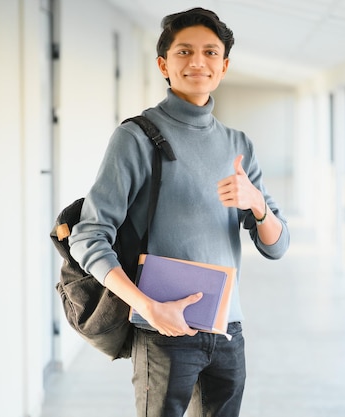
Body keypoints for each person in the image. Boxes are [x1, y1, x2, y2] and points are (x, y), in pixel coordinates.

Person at [68, 6, 290, 417]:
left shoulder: (238, 144)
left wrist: (258, 204)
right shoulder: (135, 137)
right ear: (163, 65)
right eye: (184, 51)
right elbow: (88, 236)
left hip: (228, 329)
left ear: (223, 66)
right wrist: (148, 307)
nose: (197, 62)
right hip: (162, 330)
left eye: (209, 52)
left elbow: (276, 246)